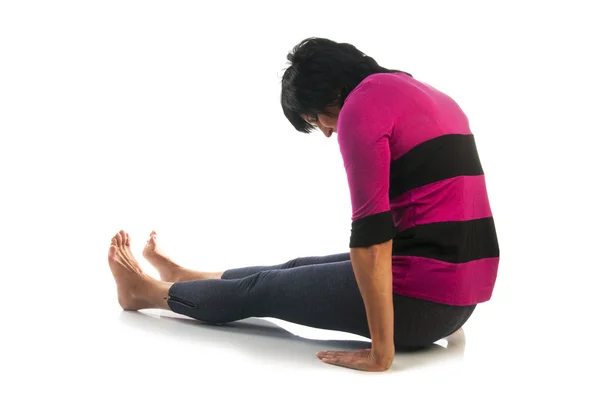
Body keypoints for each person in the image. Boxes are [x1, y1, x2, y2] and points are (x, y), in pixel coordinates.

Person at [107, 37, 500, 372]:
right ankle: (186, 275)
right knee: (293, 269)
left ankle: (143, 293)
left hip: (418, 306)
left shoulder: (362, 106)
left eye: (315, 119)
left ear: (329, 94)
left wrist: (382, 352)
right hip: (459, 304)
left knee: (262, 289)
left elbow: (371, 237)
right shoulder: (431, 96)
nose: (327, 132)